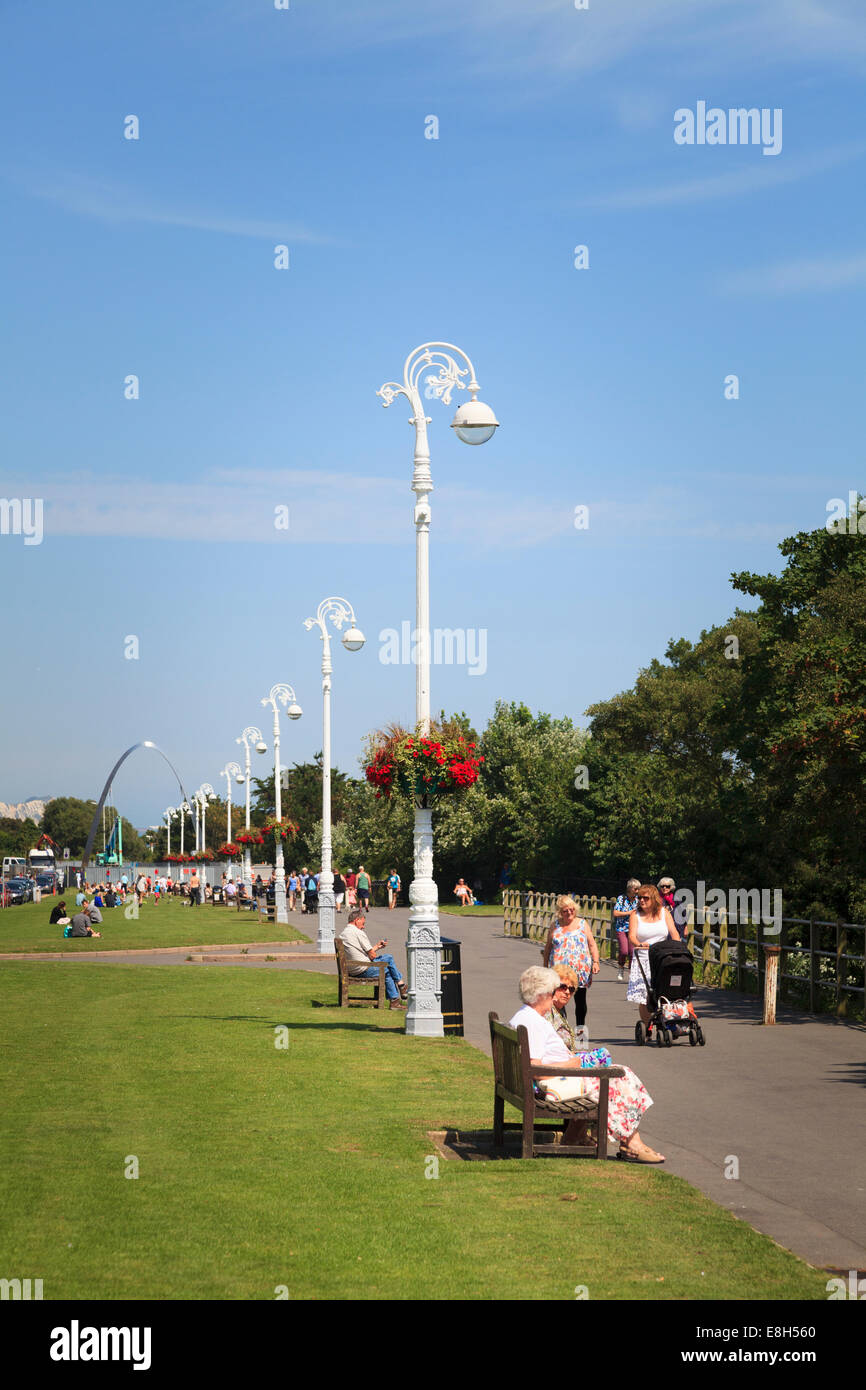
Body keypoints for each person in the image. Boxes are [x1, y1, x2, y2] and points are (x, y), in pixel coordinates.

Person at [509, 966, 663, 1162]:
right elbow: (537, 1070)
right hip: (551, 1083)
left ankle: (579, 1137)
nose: (553, 995)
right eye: (551, 991)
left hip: (547, 1079)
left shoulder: (524, 1016)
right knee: (621, 1076)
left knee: (617, 1072)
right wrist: (573, 1063)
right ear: (541, 994)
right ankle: (631, 1143)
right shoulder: (534, 1023)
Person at [541, 895, 599, 1041]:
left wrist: (596, 961)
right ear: (560, 912)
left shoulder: (582, 924)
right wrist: (545, 966)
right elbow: (548, 947)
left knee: (580, 1004)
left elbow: (592, 944)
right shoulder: (555, 925)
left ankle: (581, 1039)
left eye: (571, 909)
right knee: (559, 1002)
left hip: (579, 971)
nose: (569, 912)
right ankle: (563, 1036)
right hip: (559, 972)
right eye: (565, 910)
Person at [627, 884, 680, 1028]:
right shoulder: (635, 915)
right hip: (643, 958)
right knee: (644, 996)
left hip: (662, 958)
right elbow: (631, 936)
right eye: (639, 898)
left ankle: (667, 1022)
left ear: (654, 899)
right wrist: (639, 943)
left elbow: (674, 933)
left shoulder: (664, 913)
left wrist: (679, 948)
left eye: (645, 898)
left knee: (664, 992)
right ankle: (647, 1026)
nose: (642, 900)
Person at [338, 911, 407, 1010]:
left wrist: (377, 947)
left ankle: (396, 999)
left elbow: (363, 952)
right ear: (357, 920)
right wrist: (374, 951)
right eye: (363, 923)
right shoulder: (358, 932)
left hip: (352, 968)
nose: (363, 927)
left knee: (387, 967)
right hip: (362, 969)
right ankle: (401, 986)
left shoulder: (344, 933)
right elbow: (372, 956)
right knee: (388, 960)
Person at [613, 877, 641, 981]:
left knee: (631, 952)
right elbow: (615, 913)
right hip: (621, 928)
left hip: (633, 928)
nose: (637, 891)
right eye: (636, 889)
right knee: (624, 951)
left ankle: (631, 973)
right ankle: (621, 967)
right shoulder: (622, 898)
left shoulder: (639, 900)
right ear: (630, 888)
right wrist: (628, 913)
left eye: (638, 889)